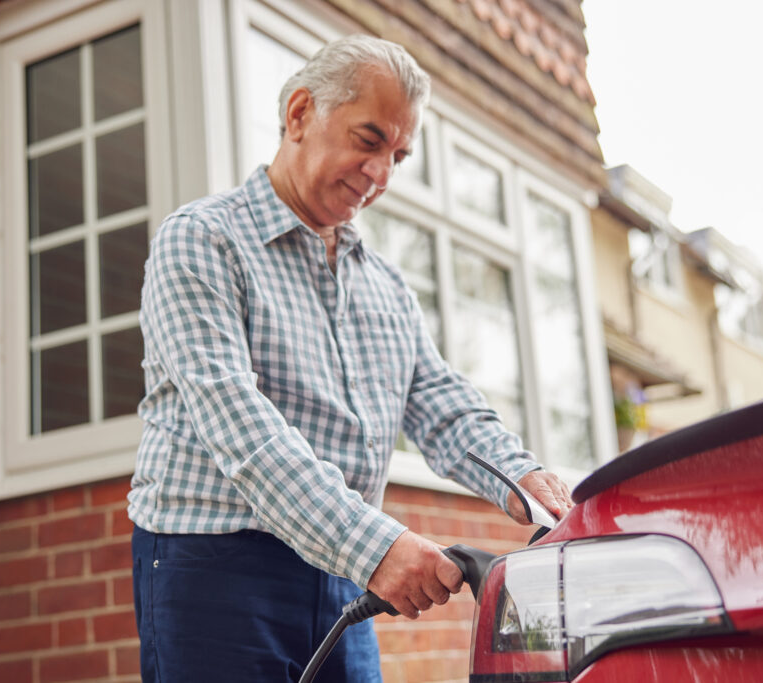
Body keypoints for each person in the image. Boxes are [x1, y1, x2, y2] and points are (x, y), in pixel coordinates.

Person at [128, 34, 574, 682]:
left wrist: (525, 480)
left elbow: (441, 407)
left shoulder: (386, 287)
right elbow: (238, 426)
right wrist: (378, 545)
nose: (382, 175)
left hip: (341, 570)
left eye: (398, 155)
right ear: (301, 114)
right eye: (369, 141)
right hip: (215, 569)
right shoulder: (203, 241)